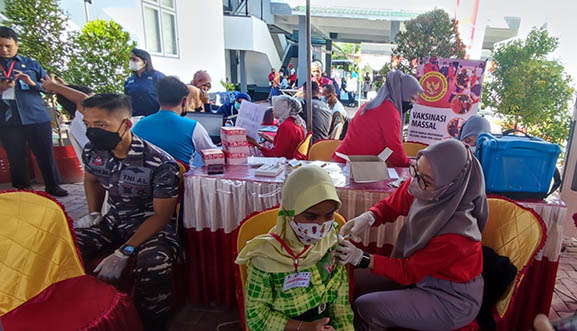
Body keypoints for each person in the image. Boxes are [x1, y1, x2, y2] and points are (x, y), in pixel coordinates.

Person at [336, 139, 487, 330]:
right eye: (415, 170)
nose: (415, 181)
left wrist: (361, 257)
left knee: (365, 307)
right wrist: (369, 217)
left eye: (425, 180)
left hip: (449, 297)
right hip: (419, 274)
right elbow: (392, 205)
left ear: (451, 186)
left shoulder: (458, 234)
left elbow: (408, 272)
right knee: (347, 282)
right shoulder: (425, 185)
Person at [74, 93, 180, 330]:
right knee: (66, 247)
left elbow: (161, 216)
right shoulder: (94, 151)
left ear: (126, 124)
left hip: (152, 228)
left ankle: (151, 322)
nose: (92, 131)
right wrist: (94, 214)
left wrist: (125, 251)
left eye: (100, 125)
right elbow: (91, 180)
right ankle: (81, 315)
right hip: (113, 222)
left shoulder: (159, 163)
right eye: (87, 124)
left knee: (154, 264)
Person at [236, 165, 355, 331]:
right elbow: (256, 317)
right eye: (311, 216)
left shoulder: (331, 242)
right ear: (289, 212)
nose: (320, 225)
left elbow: (340, 305)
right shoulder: (266, 255)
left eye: (329, 215)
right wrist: (304, 327)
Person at [0, 27, 68, 197]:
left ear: (16, 45)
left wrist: (32, 84)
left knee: (45, 153)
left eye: (8, 45)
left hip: (36, 116)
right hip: (8, 120)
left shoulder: (31, 64)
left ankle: (53, 185)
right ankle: (23, 189)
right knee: (16, 156)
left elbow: (50, 89)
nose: (4, 50)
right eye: (0, 46)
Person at [333, 71, 423, 167]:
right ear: (402, 94)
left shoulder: (371, 104)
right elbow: (394, 148)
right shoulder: (389, 111)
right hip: (352, 166)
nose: (412, 104)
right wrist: (410, 164)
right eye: (412, 99)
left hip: (345, 161)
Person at [133, 76, 216, 168]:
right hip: (180, 181)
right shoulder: (193, 127)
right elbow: (214, 157)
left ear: (158, 99)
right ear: (184, 101)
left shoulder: (138, 126)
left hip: (144, 180)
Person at [41, 75, 93, 150]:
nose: (97, 101)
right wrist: (53, 86)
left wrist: (64, 88)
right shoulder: (86, 116)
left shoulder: (76, 124)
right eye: (93, 97)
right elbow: (83, 99)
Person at [247, 95, 306, 160]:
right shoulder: (298, 122)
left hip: (286, 161)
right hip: (293, 159)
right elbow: (287, 145)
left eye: (276, 107)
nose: (273, 109)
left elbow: (277, 154)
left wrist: (257, 145)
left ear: (283, 109)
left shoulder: (285, 126)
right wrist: (272, 140)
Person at [124, 48, 165, 117]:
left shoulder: (157, 76)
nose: (131, 62)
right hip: (136, 118)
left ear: (145, 62)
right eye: (130, 59)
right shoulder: (129, 80)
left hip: (155, 116)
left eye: (135, 59)